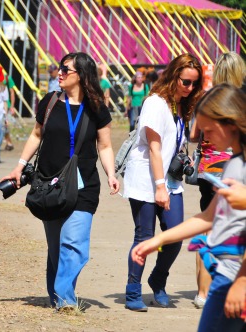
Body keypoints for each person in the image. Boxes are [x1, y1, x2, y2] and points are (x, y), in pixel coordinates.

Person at [1, 52, 120, 310]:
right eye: (59, 68)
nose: (60, 73)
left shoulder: (97, 107)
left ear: (82, 75)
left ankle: (66, 299)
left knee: (73, 244)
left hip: (83, 185)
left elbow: (106, 145)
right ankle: (57, 295)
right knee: (57, 249)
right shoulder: (51, 102)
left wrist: (111, 173)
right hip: (49, 184)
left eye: (65, 69)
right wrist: (19, 167)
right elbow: (35, 135)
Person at [131, 84, 246, 331]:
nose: (204, 138)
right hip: (226, 276)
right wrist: (155, 241)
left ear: (230, 124)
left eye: (208, 130)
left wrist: (242, 282)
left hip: (238, 279)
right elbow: (207, 217)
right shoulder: (235, 163)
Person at [122, 54, 204, 311]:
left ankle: (158, 278)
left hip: (170, 179)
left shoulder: (181, 105)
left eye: (194, 84)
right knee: (144, 236)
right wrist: (159, 186)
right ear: (173, 75)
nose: (189, 88)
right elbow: (155, 148)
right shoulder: (156, 103)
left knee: (174, 236)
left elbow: (174, 143)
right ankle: (133, 290)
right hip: (147, 177)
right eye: (185, 82)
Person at [189, 51, 244, 309]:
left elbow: (192, 135)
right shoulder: (240, 101)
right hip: (233, 168)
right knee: (234, 227)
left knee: (208, 227)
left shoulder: (207, 98)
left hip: (208, 169)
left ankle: (203, 291)